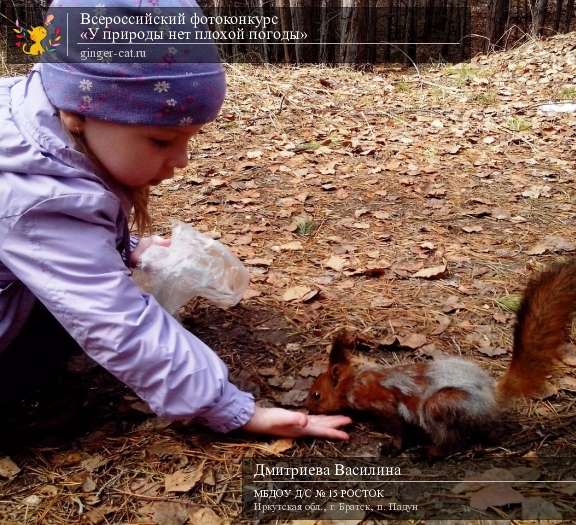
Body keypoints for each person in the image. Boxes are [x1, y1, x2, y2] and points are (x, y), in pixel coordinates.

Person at [0, 0, 351, 441]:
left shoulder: (32, 119)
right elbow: (114, 320)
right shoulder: (39, 193)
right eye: (161, 140)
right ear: (76, 111)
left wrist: (125, 248)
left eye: (188, 139)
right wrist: (229, 407)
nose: (181, 161)